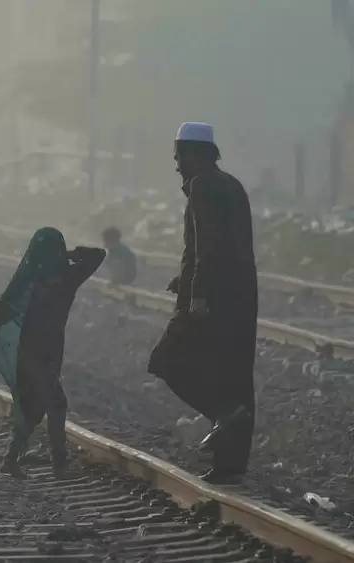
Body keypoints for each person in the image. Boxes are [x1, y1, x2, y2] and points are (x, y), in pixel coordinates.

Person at [148, 122, 257, 485]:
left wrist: (196, 294)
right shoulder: (231, 184)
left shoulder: (202, 186)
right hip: (241, 295)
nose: (177, 165)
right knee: (235, 376)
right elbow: (227, 243)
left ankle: (224, 414)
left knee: (167, 360)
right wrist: (185, 278)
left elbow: (207, 246)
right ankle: (231, 466)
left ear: (193, 154)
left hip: (211, 298)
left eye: (179, 157)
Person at [0, 228, 104, 476]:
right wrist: (70, 253)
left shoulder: (28, 280)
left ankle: (11, 459)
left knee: (35, 407)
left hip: (32, 351)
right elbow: (98, 255)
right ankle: (59, 464)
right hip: (42, 353)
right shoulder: (67, 276)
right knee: (55, 402)